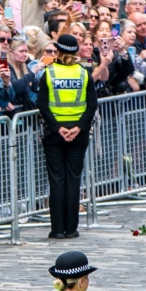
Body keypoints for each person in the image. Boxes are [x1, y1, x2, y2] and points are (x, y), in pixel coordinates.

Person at [38, 34, 97, 239]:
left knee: (56, 180)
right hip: (78, 134)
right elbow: (92, 105)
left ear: (59, 51)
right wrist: (79, 127)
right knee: (73, 179)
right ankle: (71, 228)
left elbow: (43, 106)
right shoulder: (84, 72)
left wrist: (57, 128)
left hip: (55, 133)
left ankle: (57, 229)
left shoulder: (49, 72)